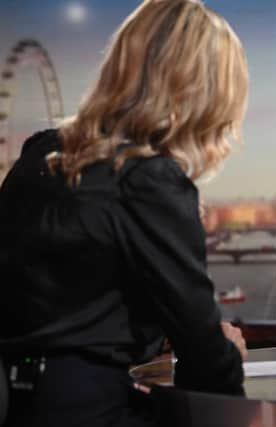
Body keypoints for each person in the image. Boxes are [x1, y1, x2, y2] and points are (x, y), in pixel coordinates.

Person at [0, 0, 249, 425]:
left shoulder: (40, 152)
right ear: (205, 93)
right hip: (89, 407)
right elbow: (203, 356)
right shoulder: (149, 179)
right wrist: (229, 353)